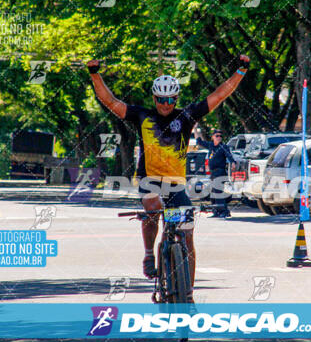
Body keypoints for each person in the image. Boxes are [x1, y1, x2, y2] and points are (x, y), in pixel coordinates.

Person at [87, 55, 250, 288]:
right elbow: (110, 101)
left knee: (187, 234)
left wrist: (241, 71)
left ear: (176, 98)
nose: (166, 104)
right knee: (152, 210)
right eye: (161, 99)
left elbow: (220, 94)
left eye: (171, 99)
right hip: (149, 179)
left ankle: (188, 293)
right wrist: (95, 74)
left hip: (175, 183)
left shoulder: (187, 116)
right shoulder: (141, 115)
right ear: (155, 98)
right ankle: (148, 253)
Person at [194, 127, 235, 217]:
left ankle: (224, 212)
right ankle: (216, 212)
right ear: (213, 137)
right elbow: (199, 141)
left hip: (220, 172)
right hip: (213, 173)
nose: (219, 137)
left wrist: (232, 162)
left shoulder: (223, 147)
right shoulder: (211, 145)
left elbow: (229, 156)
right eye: (217, 135)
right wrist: (195, 128)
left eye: (220, 136)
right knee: (213, 194)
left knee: (218, 193)